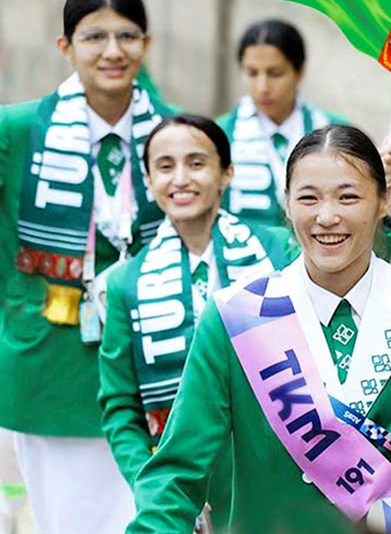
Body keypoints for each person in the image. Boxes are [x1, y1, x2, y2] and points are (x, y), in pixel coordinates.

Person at [126, 124, 391, 533]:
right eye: (308, 198)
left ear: (383, 200)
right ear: (287, 204)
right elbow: (177, 474)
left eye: (348, 196)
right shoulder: (236, 318)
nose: (327, 216)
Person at [0, 0, 176, 534]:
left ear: (146, 44)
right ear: (65, 47)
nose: (112, 51)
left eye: (126, 36)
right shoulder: (18, 130)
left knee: (146, 516)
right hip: (49, 362)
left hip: (153, 360)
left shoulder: (174, 137)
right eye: (94, 37)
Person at [99, 114, 297, 532]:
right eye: (165, 166)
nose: (181, 179)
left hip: (279, 473)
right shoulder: (125, 283)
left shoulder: (278, 250)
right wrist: (157, 488)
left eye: (196, 163)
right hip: (182, 484)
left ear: (226, 172)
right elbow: (120, 407)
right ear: (148, 182)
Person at [218, 19, 391, 259]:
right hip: (245, 266)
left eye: (275, 73)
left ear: (299, 71)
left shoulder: (337, 133)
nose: (262, 86)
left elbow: (363, 222)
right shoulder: (221, 135)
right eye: (252, 73)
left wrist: (376, 184)